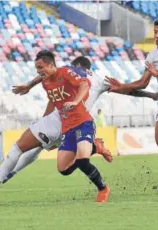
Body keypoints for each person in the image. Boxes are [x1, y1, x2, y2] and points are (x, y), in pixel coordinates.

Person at [0, 54, 158, 200]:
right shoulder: (100, 80)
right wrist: (151, 96)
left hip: (63, 122)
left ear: (74, 65)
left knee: (25, 147)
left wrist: (29, 87)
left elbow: (50, 78)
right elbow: (129, 91)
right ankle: (2, 178)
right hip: (70, 123)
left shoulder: (69, 72)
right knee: (48, 156)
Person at [34, 51, 111, 202]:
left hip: (83, 122)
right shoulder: (45, 83)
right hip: (67, 128)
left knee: (82, 161)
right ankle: (96, 147)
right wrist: (43, 122)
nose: (38, 71)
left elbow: (84, 84)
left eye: (41, 67)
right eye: (37, 68)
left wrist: (76, 101)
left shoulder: (66, 71)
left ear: (51, 65)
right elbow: (53, 102)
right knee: (63, 169)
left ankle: (103, 189)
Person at [106, 18, 158, 147]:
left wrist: (157, 74)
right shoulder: (152, 56)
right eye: (155, 32)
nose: (156, 36)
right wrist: (122, 86)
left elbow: (156, 75)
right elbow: (142, 83)